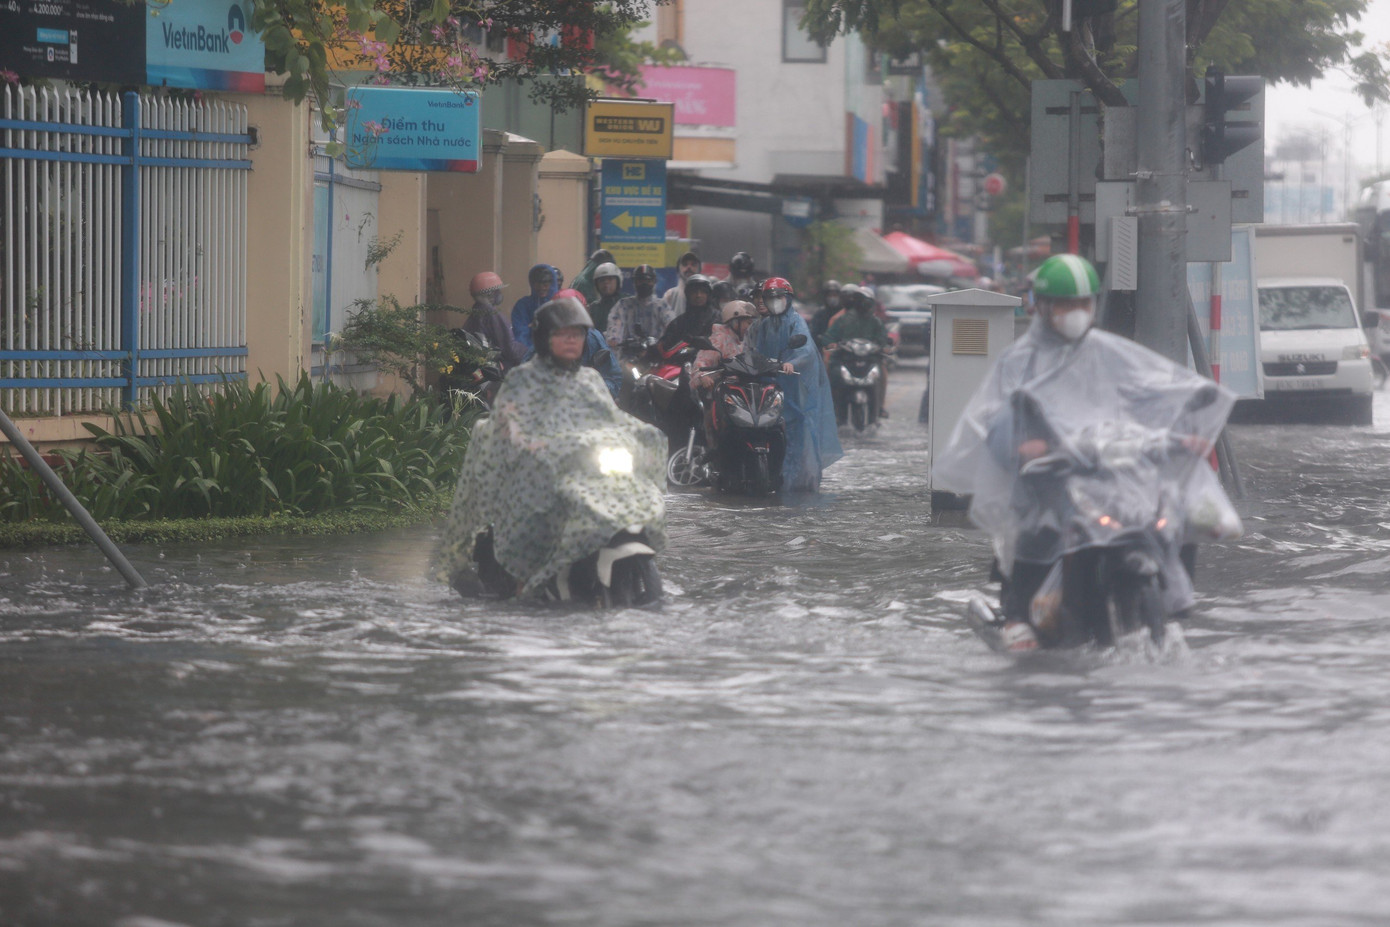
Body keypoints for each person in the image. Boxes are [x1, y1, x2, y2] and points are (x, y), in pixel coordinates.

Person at [932, 254, 1240, 649]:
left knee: (1170, 513)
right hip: (1048, 476)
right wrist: (1021, 444)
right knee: (1037, 525)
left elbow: (1150, 392)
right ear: (1042, 307)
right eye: (1064, 304)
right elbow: (994, 415)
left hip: (1107, 473)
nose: (1074, 313)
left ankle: (1172, 605)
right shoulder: (1019, 361)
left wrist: (1181, 431)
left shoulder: (1110, 353)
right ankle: (1017, 614)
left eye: (1082, 303)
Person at [437, 297, 668, 598]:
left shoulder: (590, 380)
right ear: (545, 337)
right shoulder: (524, 378)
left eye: (578, 333)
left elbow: (611, 418)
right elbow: (508, 420)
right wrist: (525, 440)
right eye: (562, 333)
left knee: (627, 495)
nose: (572, 339)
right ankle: (525, 578)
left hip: (585, 472)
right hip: (536, 475)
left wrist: (637, 434)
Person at [745, 277, 843, 491]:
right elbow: (757, 353)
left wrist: (791, 363)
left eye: (779, 298)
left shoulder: (796, 321)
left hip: (795, 385)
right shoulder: (764, 325)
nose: (774, 303)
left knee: (798, 427)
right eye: (769, 299)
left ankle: (800, 478)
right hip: (770, 383)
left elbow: (806, 349)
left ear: (788, 299)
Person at [819, 284, 892, 419]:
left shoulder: (875, 321)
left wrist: (883, 346)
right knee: (833, 372)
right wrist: (832, 344)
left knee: (881, 372)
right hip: (845, 359)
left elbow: (883, 339)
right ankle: (832, 404)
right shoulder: (843, 319)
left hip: (870, 360)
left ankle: (880, 407)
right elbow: (829, 337)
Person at [461, 271, 525, 371]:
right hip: (495, 372)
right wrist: (529, 351)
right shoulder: (491, 314)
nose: (500, 294)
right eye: (497, 291)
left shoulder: (476, 312)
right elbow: (510, 349)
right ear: (490, 294)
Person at [693, 299, 757, 390]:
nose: (750, 327)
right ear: (735, 322)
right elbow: (701, 362)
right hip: (719, 392)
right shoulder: (719, 339)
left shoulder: (746, 340)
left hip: (742, 390)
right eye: (748, 323)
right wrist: (703, 376)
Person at [605, 263, 673, 346]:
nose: (644, 284)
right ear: (634, 282)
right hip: (626, 356)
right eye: (640, 280)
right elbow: (614, 330)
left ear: (654, 282)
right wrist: (614, 339)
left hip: (657, 355)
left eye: (648, 281)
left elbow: (672, 328)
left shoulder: (662, 306)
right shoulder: (623, 305)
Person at [658, 274, 719, 350]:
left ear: (708, 295)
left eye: (703, 291)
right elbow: (664, 346)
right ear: (688, 295)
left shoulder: (718, 319)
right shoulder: (678, 323)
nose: (698, 295)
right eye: (694, 292)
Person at [510, 264, 560, 353]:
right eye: (537, 284)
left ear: (552, 284)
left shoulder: (560, 304)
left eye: (545, 284)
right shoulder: (523, 305)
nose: (541, 288)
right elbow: (520, 334)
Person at [661, 251, 703, 319]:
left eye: (693, 264)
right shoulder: (670, 295)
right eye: (685, 264)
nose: (689, 267)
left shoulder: (707, 294)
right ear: (678, 269)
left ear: (699, 269)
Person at [588, 262, 624, 333]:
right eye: (602, 280)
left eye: (610, 279)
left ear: (618, 281)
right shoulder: (593, 308)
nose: (606, 283)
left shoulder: (627, 303)